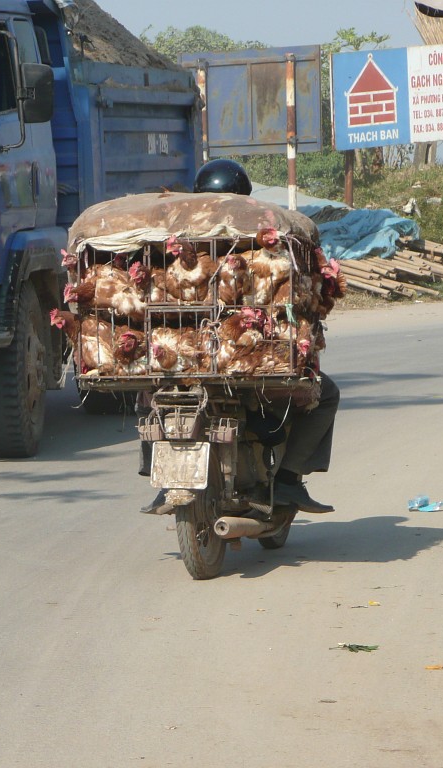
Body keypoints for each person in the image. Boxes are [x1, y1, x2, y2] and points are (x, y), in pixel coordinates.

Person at [139, 159, 339, 515]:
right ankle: (289, 479)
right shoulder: (261, 225)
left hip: (188, 357)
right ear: (244, 193)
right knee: (325, 394)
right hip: (249, 360)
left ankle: (161, 475)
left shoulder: (171, 232)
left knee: (151, 392)